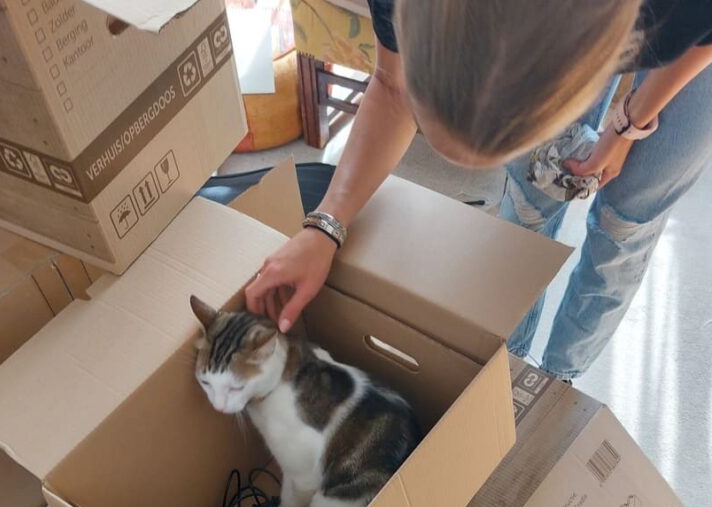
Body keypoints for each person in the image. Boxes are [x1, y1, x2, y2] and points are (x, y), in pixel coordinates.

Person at [246, 1, 712, 381]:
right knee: (535, 192)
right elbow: (392, 86)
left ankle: (559, 379)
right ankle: (513, 368)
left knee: (628, 215)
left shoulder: (675, 19)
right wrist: (325, 225)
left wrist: (631, 122)